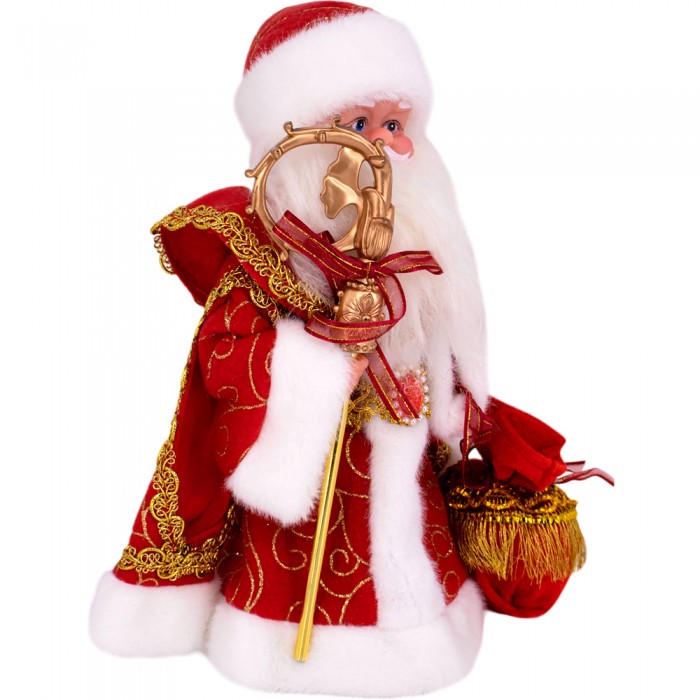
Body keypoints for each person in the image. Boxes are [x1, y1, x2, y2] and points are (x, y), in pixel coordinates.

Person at [90, 3, 578, 695]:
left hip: (404, 457)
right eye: (357, 125)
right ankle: (298, 649)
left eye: (395, 125)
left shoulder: (416, 253)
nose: (382, 146)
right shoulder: (261, 257)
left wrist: (447, 402)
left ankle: (418, 629)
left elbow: (434, 351)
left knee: (406, 546)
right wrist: (317, 363)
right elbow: (224, 360)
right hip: (313, 491)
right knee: (317, 561)